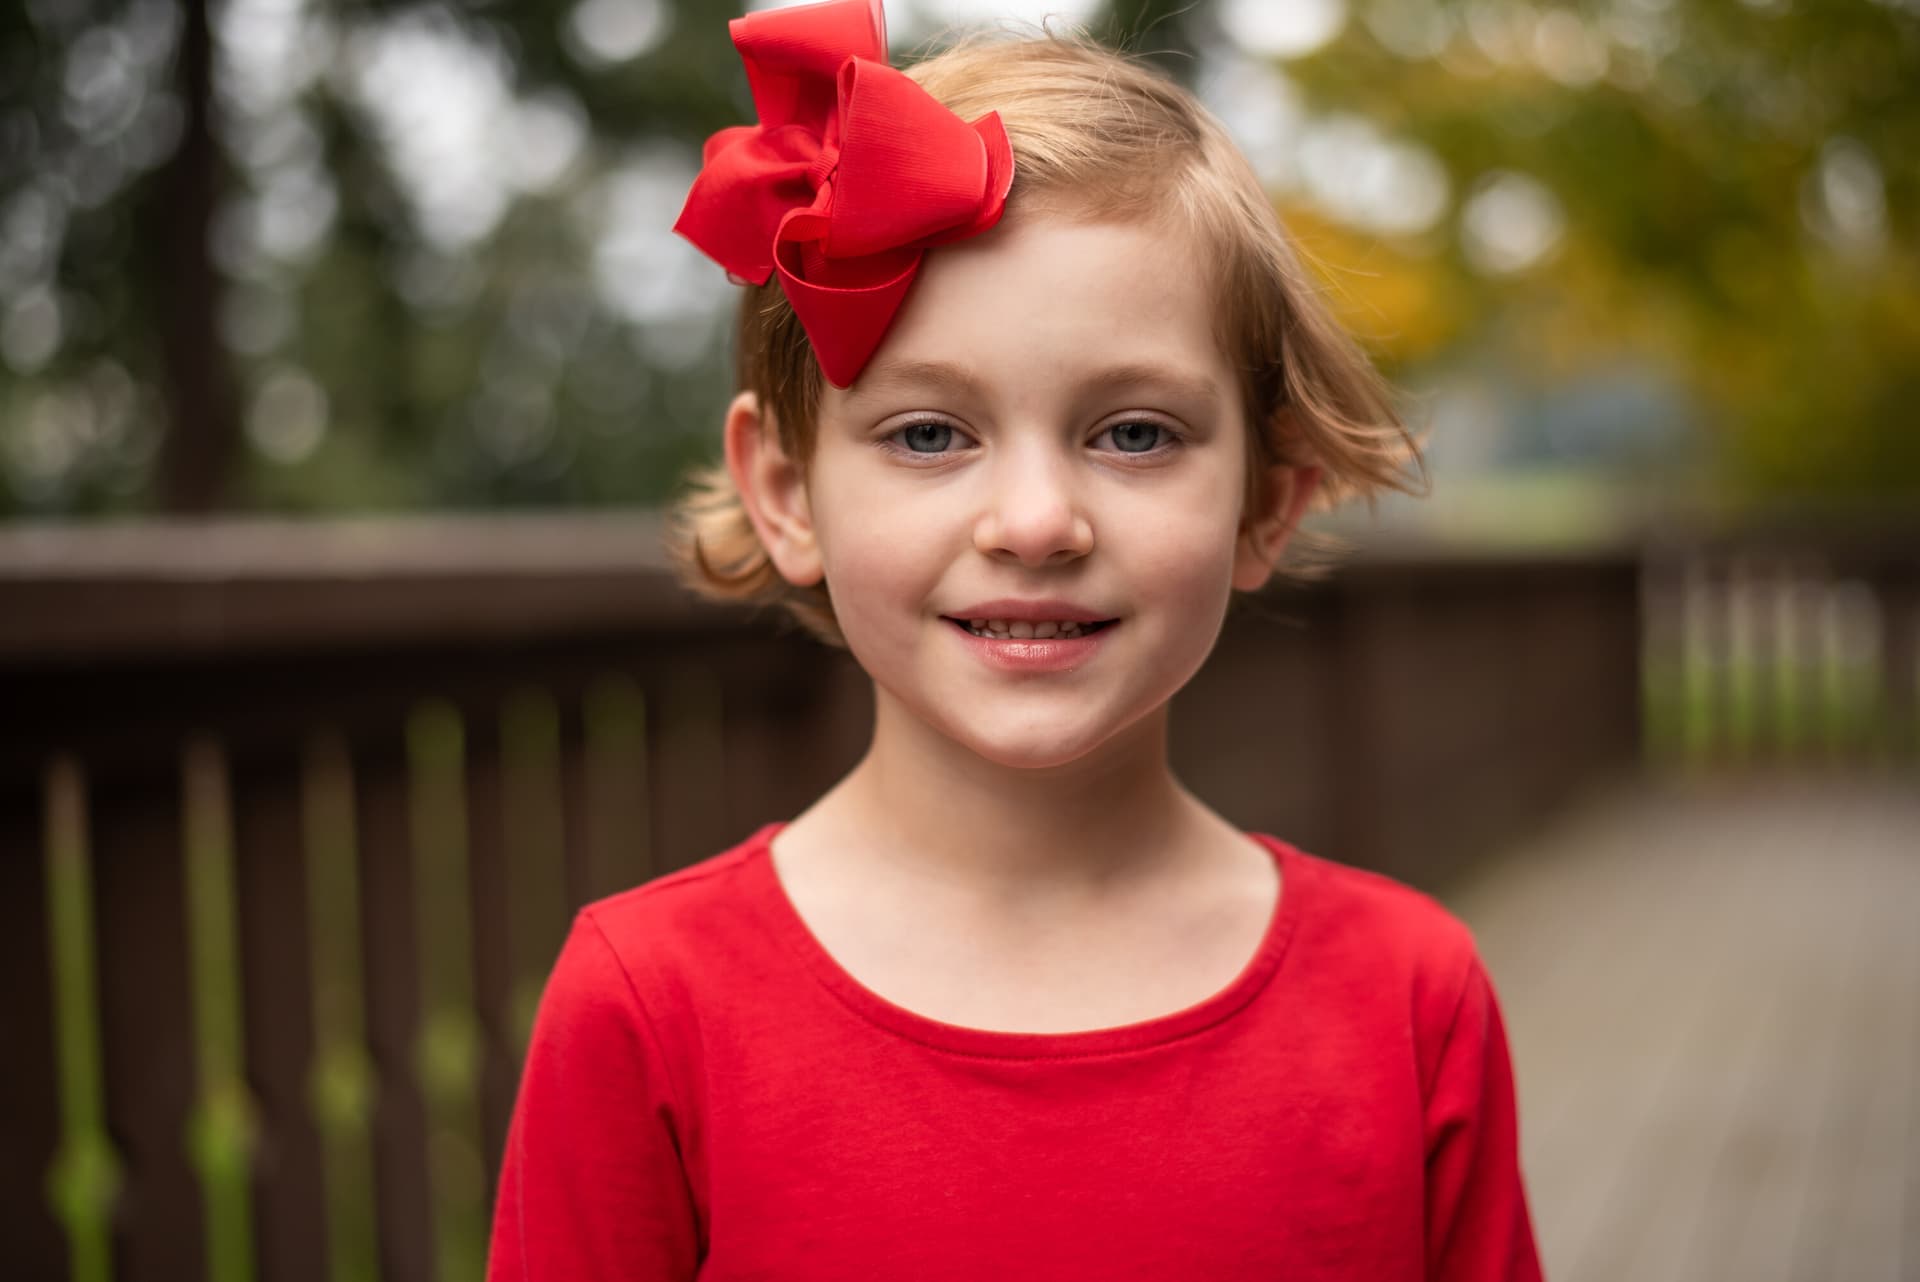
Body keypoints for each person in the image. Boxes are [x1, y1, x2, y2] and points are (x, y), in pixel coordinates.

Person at [487, 0, 1544, 1277]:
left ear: (1269, 498)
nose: (1036, 522)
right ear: (784, 491)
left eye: (1134, 433)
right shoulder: (647, 1008)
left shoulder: (1410, 1001)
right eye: (931, 433)